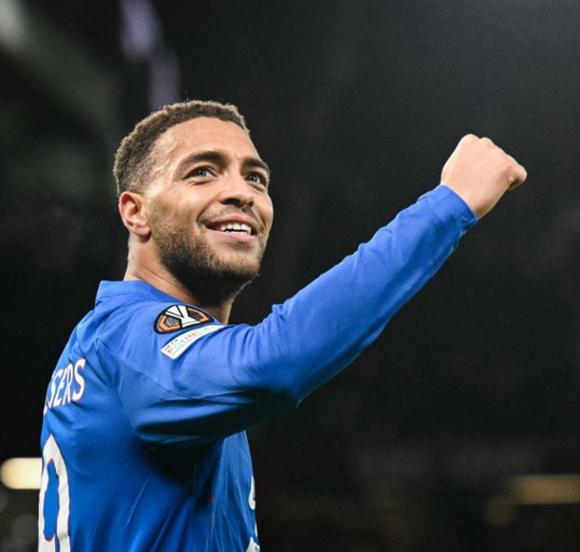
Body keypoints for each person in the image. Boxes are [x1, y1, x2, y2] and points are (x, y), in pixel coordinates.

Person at [37, 100, 527, 551]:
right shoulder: (133, 337)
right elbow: (272, 364)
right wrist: (449, 205)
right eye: (202, 172)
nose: (241, 193)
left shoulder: (125, 347)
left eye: (256, 179)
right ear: (135, 212)